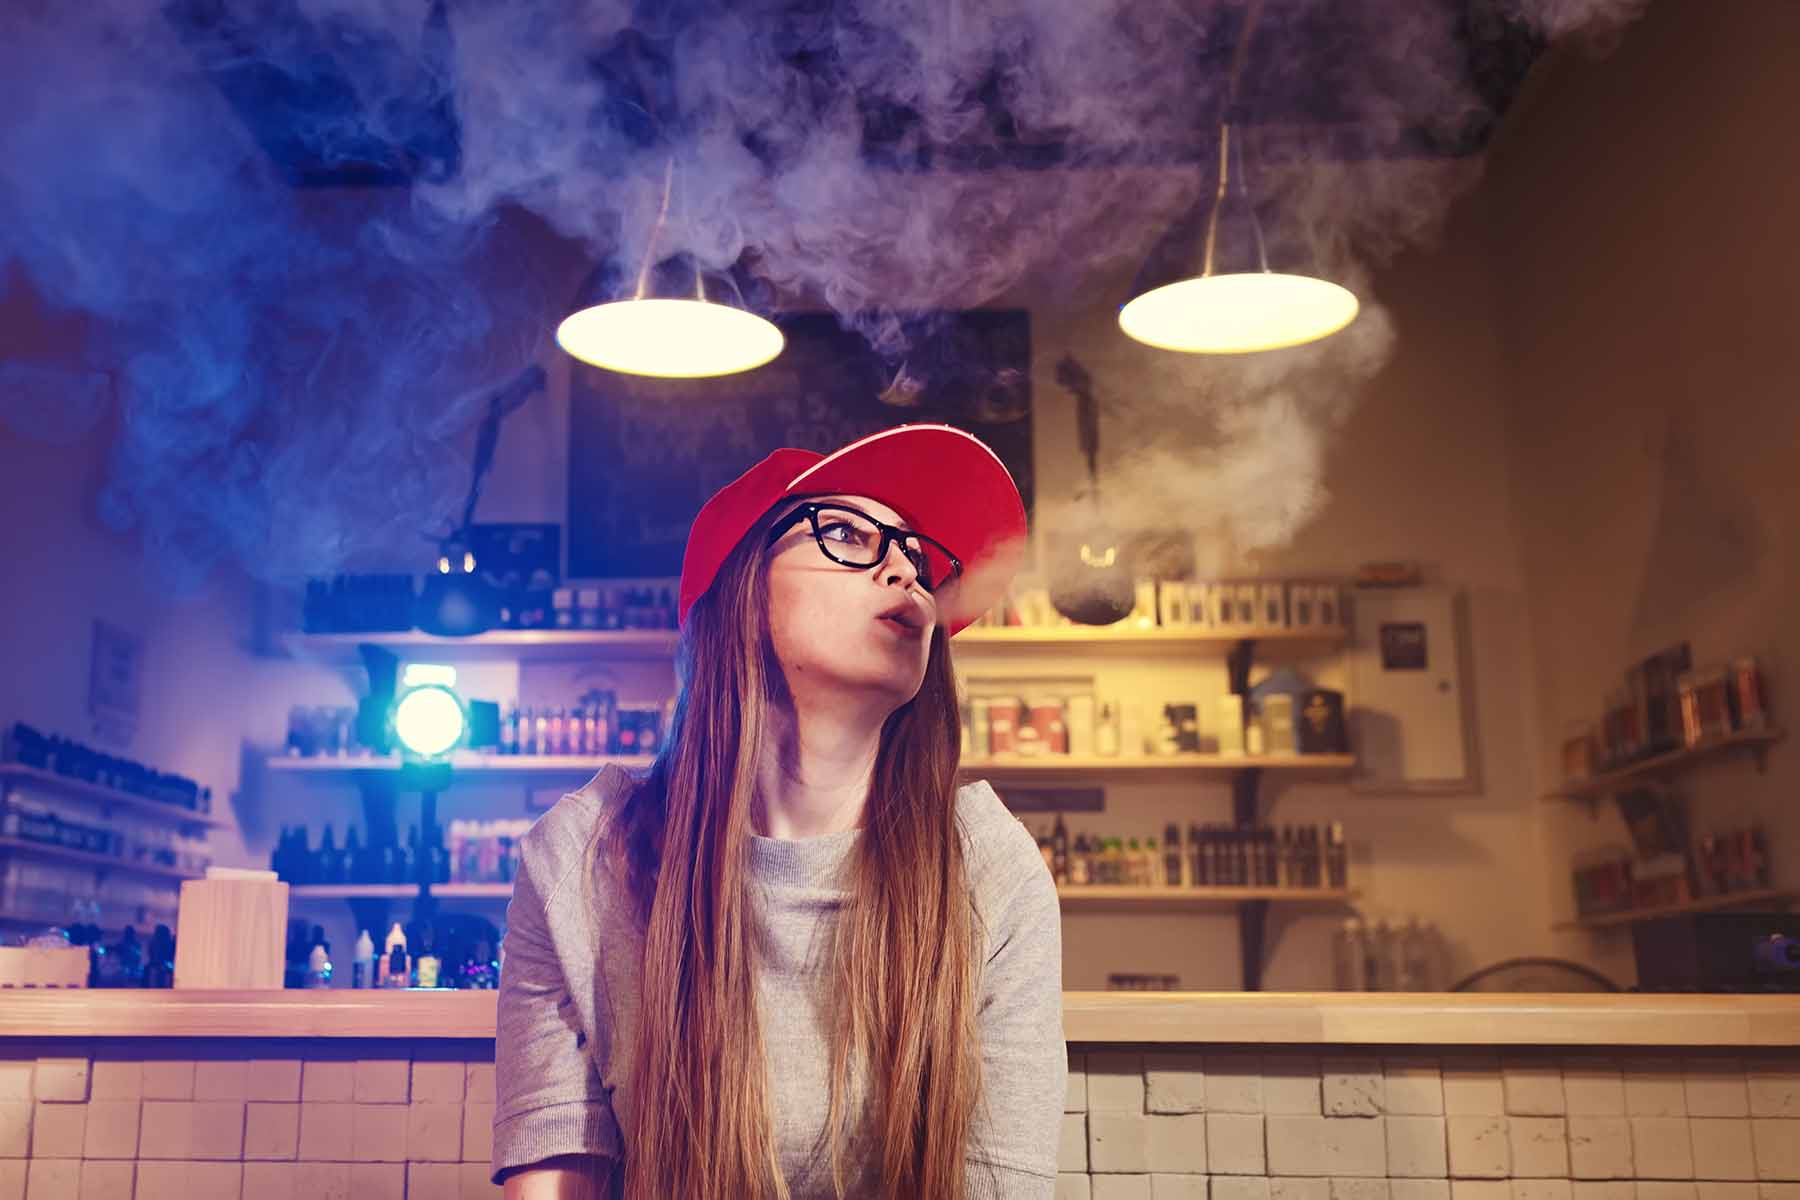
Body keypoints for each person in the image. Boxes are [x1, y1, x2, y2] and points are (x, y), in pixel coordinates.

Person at [492, 424, 1066, 1199]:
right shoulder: (581, 861)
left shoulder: (989, 869)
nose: (905, 567)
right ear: (739, 585)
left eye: (920, 557)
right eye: (845, 533)